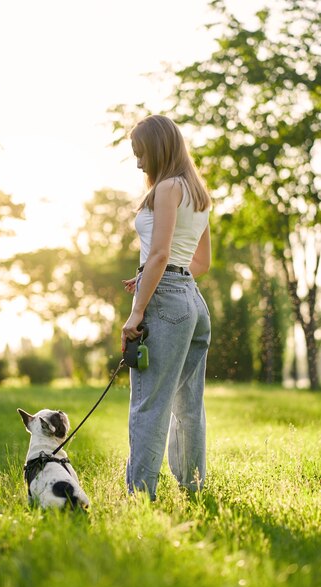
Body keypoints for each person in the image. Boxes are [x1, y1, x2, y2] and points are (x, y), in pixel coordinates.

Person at [121, 114, 212, 501]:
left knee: (149, 404)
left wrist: (138, 309)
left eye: (141, 154)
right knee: (188, 403)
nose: (139, 162)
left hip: (167, 303)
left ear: (158, 148)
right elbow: (201, 263)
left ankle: (140, 495)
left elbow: (158, 254)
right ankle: (193, 485)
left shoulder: (166, 188)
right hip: (192, 301)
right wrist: (151, 277)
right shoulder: (198, 191)